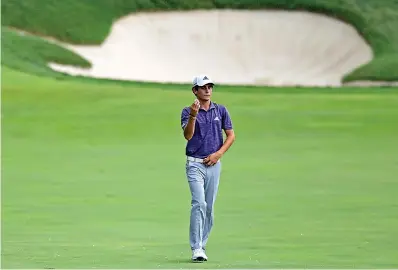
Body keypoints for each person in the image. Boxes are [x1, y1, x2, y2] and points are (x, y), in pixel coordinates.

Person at [180, 74, 236, 262]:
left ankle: (202, 245)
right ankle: (196, 248)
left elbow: (230, 136)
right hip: (195, 164)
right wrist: (194, 116)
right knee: (199, 203)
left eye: (210, 87)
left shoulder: (220, 110)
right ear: (195, 91)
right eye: (203, 87)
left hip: (214, 164)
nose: (207, 90)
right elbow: (188, 136)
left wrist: (219, 153)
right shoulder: (187, 112)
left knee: (209, 207)